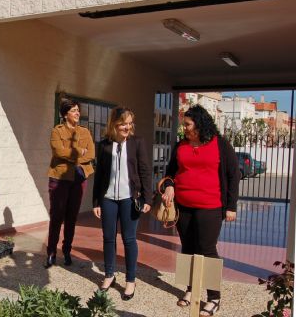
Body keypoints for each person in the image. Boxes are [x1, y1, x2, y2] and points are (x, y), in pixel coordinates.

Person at [162, 105, 239, 316]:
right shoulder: (181, 145)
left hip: (210, 207)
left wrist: (231, 206)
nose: (184, 128)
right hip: (183, 206)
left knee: (207, 249)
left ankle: (214, 297)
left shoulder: (220, 144)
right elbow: (170, 171)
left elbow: (234, 175)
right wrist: (169, 185)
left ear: (199, 123)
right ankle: (190, 289)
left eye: (187, 124)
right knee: (187, 247)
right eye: (184, 124)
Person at [92, 107, 152, 301]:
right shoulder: (103, 145)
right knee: (108, 237)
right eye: (123, 123)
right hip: (108, 198)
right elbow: (99, 176)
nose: (127, 127)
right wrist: (96, 201)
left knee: (129, 239)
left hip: (129, 198)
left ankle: (130, 280)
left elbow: (145, 171)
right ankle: (109, 275)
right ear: (114, 125)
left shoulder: (137, 143)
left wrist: (147, 199)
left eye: (129, 123)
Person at [45, 99, 95, 268]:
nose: (77, 113)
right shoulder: (57, 131)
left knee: (72, 217)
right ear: (65, 114)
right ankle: (51, 252)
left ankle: (67, 251)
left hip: (79, 178)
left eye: (78, 111)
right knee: (56, 216)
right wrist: (79, 152)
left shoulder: (85, 132)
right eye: (74, 110)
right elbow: (58, 151)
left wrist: (72, 154)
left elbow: (91, 154)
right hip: (59, 178)